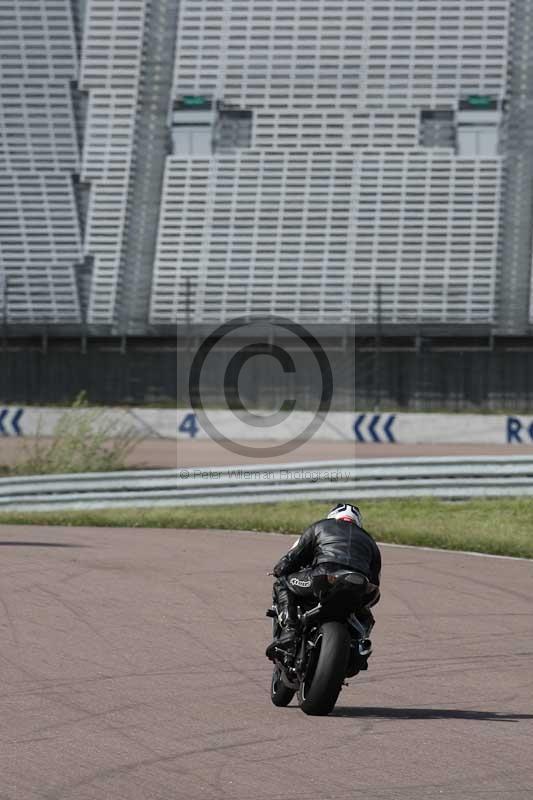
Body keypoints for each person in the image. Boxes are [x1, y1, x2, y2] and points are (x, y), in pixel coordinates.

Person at [266, 502, 381, 659]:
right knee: (366, 614)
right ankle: (360, 645)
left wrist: (278, 570)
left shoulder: (320, 526)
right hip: (359, 584)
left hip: (324, 577)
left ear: (332, 516)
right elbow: (375, 583)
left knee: (282, 582)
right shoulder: (370, 541)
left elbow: (293, 557)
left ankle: (289, 630)